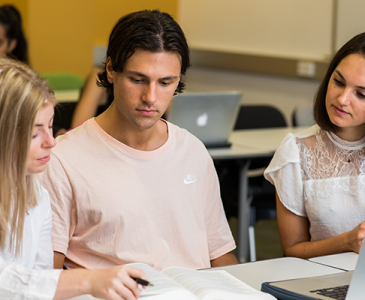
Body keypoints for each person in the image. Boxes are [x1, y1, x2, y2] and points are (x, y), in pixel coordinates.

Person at [41, 9, 238, 272]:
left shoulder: (192, 150)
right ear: (111, 70)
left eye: (166, 82)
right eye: (138, 80)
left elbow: (220, 253)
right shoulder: (63, 160)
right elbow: (47, 278)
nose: (151, 97)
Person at [0, 57, 148, 300]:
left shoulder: (36, 193)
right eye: (36, 132)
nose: (51, 142)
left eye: (50, 126)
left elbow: (41, 276)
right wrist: (88, 280)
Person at [264, 32, 365, 259]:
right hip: (322, 278)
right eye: (338, 82)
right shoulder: (296, 151)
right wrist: (346, 242)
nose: (342, 99)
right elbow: (292, 249)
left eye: (361, 94)